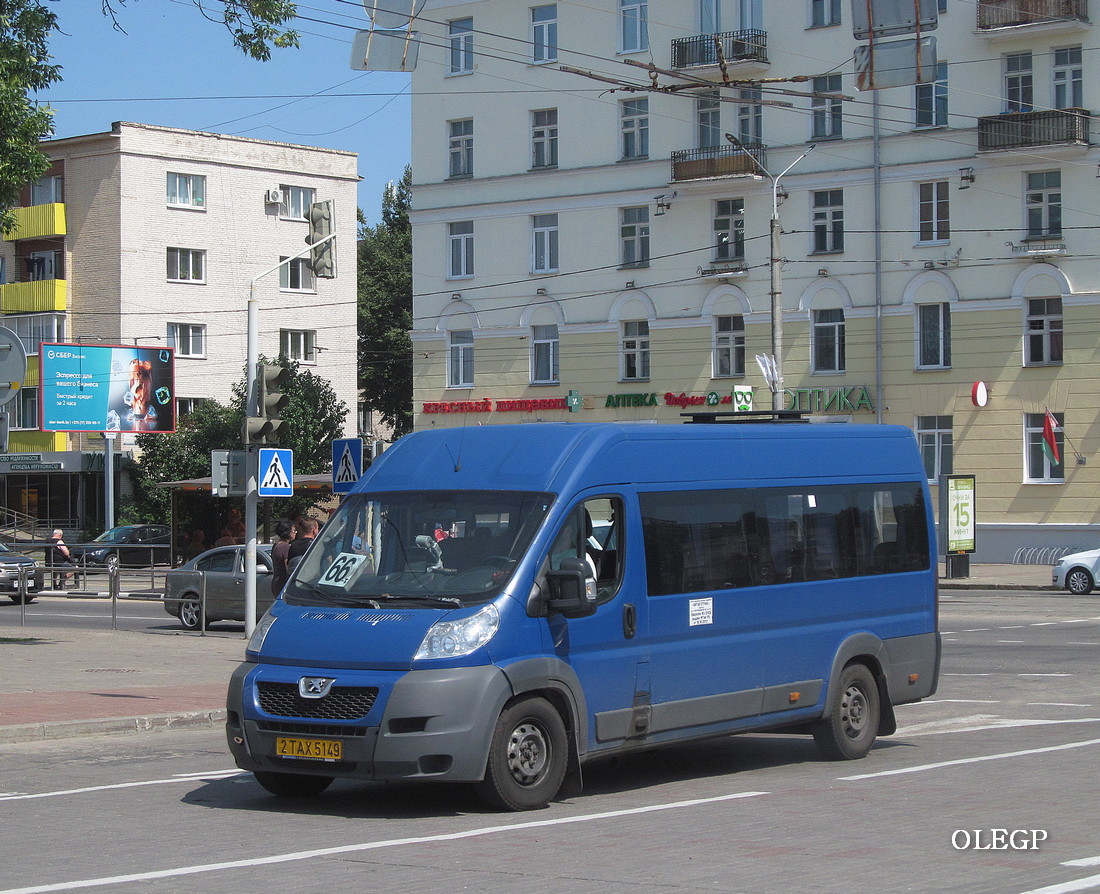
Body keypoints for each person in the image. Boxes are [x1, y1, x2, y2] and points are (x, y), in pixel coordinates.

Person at [271, 520, 296, 596]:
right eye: (293, 530)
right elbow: (288, 568)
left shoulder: (276, 545)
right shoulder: (285, 547)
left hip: (276, 581)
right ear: (287, 532)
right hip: (283, 583)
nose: (295, 532)